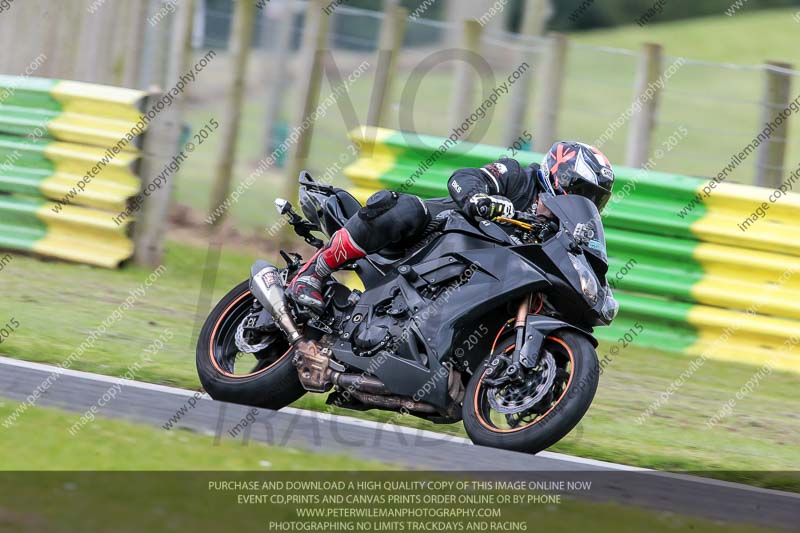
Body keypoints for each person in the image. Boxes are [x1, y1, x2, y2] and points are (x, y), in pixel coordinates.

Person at [288, 141, 615, 314]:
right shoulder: (519, 177)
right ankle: (312, 273)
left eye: (594, 199)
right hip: (432, 238)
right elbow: (465, 178)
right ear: (562, 175)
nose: (587, 202)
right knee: (401, 207)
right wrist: (478, 199)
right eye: (584, 191)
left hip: (480, 280)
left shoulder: (560, 228)